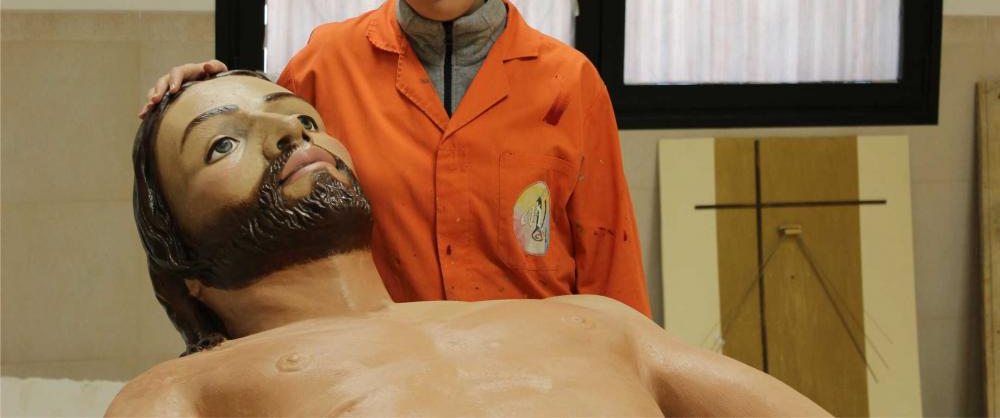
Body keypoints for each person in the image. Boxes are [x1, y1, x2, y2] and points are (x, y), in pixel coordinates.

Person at [141, 0, 651, 317]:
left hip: (536, 384)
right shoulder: (327, 64)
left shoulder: (568, 81)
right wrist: (203, 94)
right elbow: (256, 196)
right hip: (386, 382)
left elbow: (611, 271)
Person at [112, 72, 828, 417]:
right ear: (186, 271)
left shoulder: (593, 321)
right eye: (221, 145)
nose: (289, 131)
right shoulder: (185, 392)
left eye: (299, 113)